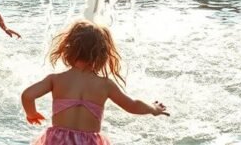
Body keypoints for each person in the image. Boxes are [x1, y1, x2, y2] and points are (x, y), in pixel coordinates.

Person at [21, 20, 168, 144]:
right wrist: (153, 109)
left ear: (68, 49)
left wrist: (31, 113)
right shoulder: (105, 85)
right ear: (103, 55)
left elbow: (27, 95)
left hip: (57, 141)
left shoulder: (55, 79)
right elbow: (132, 105)